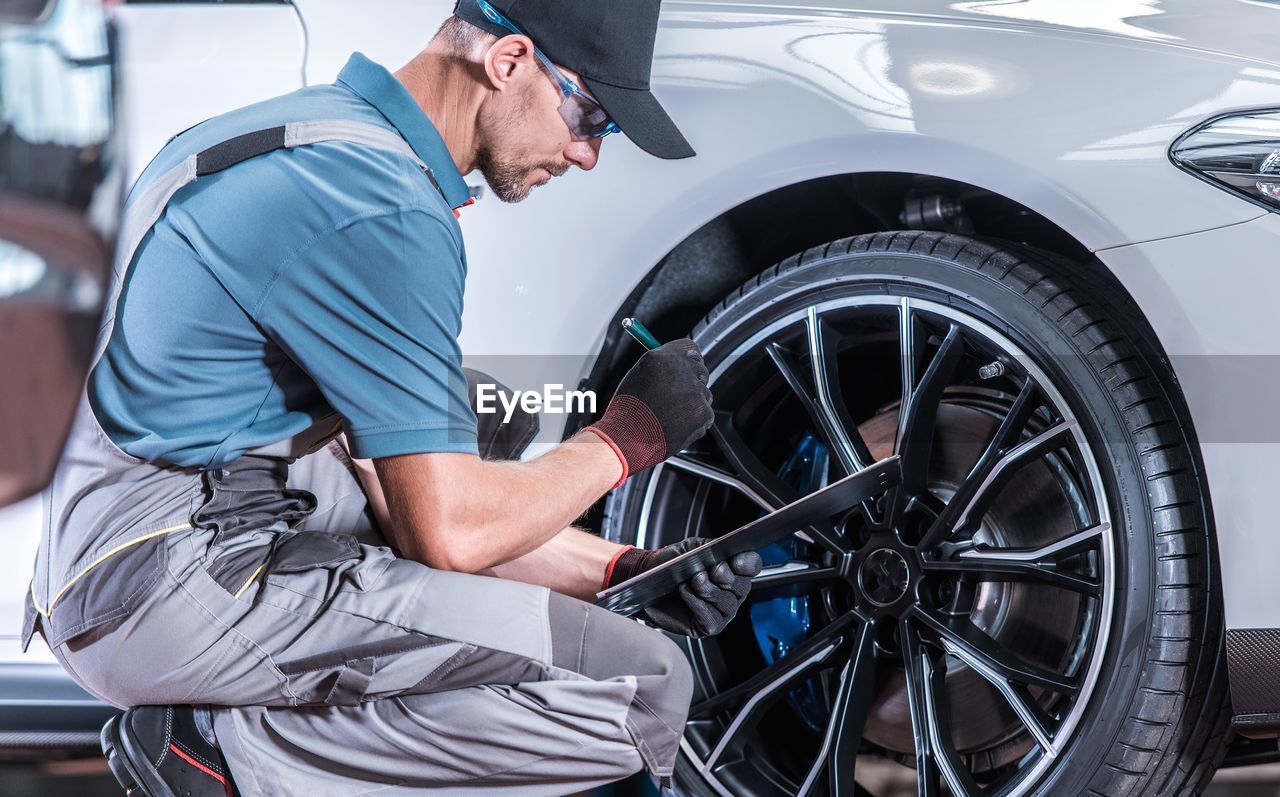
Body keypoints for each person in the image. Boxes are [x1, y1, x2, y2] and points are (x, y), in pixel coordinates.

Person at [24, 1, 763, 794]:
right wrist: (626, 439)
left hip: (114, 539)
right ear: (509, 61)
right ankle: (222, 753)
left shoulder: (315, 133)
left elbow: (400, 491)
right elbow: (445, 533)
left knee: (475, 418)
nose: (586, 154)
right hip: (163, 586)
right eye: (589, 114)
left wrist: (626, 567)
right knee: (640, 685)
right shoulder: (383, 209)